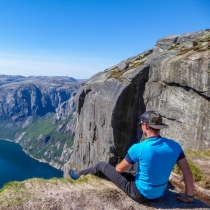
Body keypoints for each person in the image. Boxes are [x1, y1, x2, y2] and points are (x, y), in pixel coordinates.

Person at [69, 111, 194, 203]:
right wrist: (189, 196)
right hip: (160, 192)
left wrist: (117, 166)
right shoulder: (175, 146)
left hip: (140, 194)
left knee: (102, 165)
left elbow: (119, 170)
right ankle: (83, 174)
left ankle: (79, 174)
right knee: (135, 170)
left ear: (145, 125)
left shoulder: (139, 148)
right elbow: (187, 172)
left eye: (140, 124)